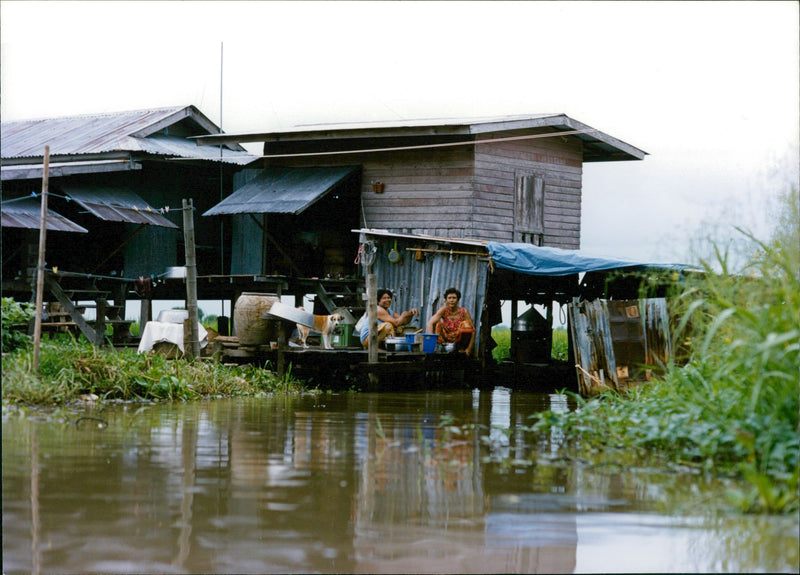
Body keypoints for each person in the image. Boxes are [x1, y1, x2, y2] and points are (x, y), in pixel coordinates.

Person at [426, 287, 475, 356]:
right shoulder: (443, 310)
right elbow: (430, 323)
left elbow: (473, 330)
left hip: (458, 339)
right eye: (449, 298)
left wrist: (469, 348)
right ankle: (440, 347)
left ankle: (461, 348)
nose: (451, 300)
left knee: (466, 325)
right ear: (446, 300)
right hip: (446, 338)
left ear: (458, 300)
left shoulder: (464, 311)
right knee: (438, 324)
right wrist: (431, 343)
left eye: (454, 298)